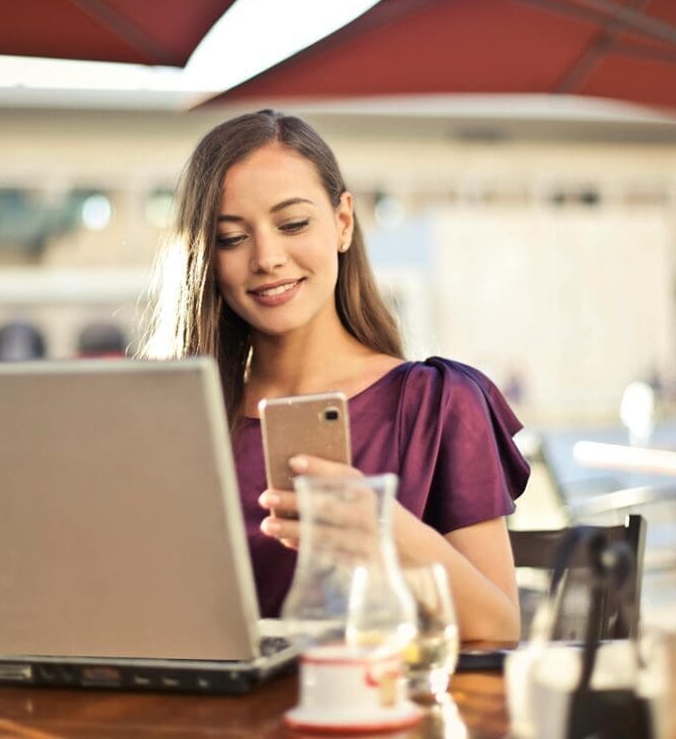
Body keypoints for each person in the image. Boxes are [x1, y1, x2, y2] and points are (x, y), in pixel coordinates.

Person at [140, 110, 529, 642]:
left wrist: (382, 531)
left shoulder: (437, 402)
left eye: (293, 224)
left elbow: (500, 627)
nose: (268, 258)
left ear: (342, 223)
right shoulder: (175, 419)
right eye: (232, 238)